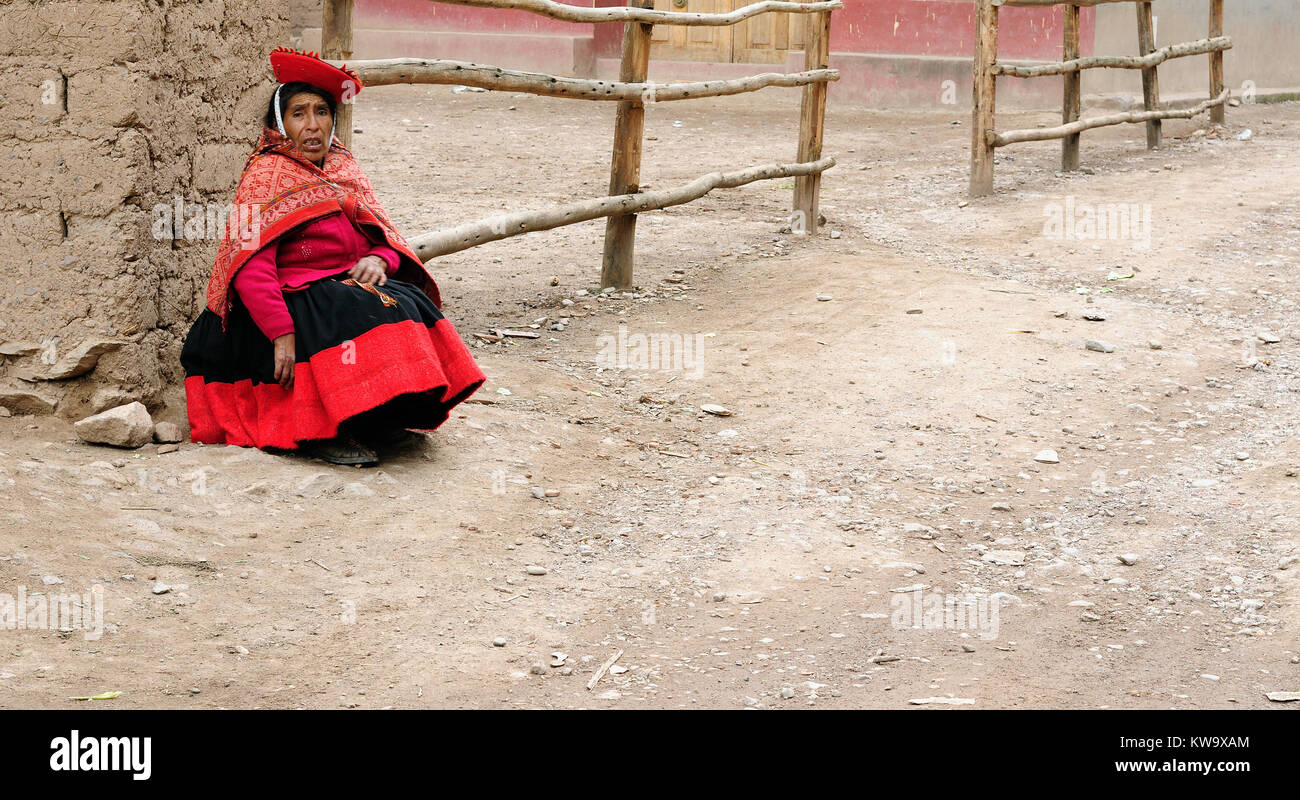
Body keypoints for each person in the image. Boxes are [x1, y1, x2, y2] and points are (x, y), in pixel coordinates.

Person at [181, 47, 485, 466]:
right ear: (279, 125)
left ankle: (376, 415)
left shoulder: (343, 168)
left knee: (402, 301)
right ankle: (321, 431)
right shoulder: (266, 175)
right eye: (299, 114)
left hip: (332, 287)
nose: (312, 126)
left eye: (321, 112)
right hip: (271, 310)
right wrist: (280, 333)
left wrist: (380, 261)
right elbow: (251, 268)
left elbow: (385, 238)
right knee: (349, 311)